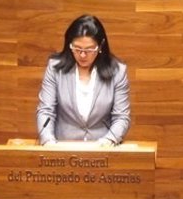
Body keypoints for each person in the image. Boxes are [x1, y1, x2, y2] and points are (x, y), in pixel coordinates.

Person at [36, 14, 131, 146]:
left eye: (89, 49)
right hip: (62, 147)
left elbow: (121, 117)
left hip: (103, 150)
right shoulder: (55, 68)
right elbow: (46, 111)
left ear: (101, 46)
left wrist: (108, 141)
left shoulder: (117, 72)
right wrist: (48, 141)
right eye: (77, 48)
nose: (82, 55)